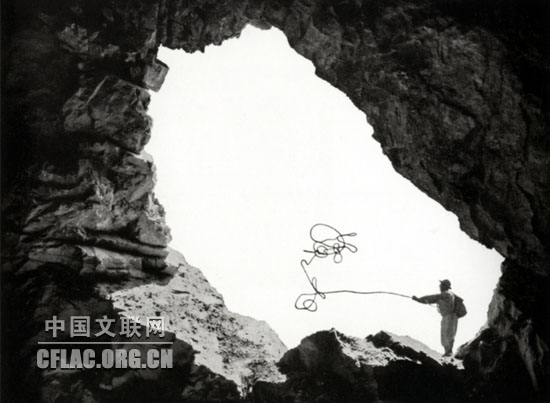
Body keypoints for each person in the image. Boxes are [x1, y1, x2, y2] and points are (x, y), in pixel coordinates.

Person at [412, 279, 458, 357]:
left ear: (445, 286)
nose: (439, 287)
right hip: (448, 316)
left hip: (449, 317)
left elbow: (432, 298)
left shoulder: (446, 294)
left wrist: (419, 299)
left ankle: (448, 352)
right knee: (446, 335)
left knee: (447, 335)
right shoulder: (448, 294)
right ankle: (448, 352)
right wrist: (420, 300)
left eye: (441, 285)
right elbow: (433, 298)